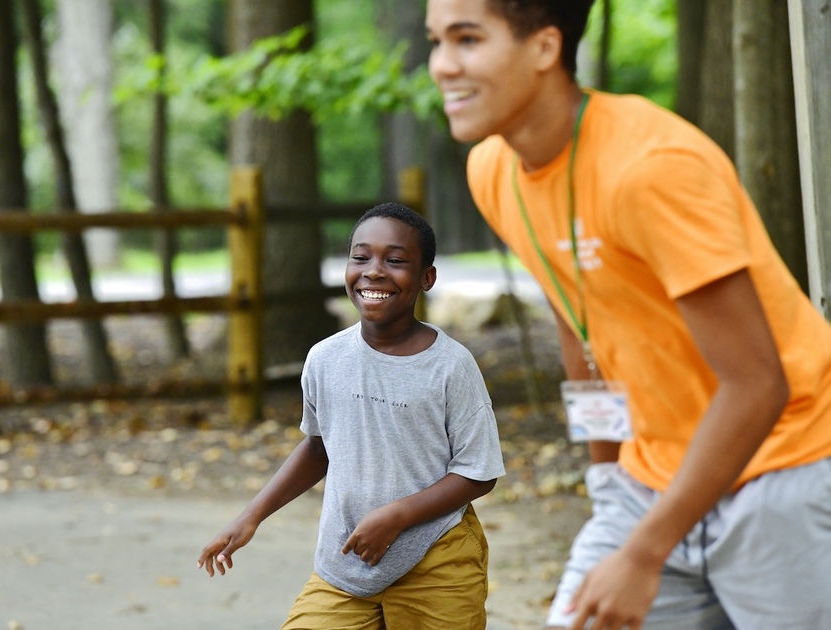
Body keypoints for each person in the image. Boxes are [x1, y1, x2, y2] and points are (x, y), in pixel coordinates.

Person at [426, 1, 831, 628]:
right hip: (649, 481)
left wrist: (644, 551)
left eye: (468, 39)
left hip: (789, 470)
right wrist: (610, 481)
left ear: (544, 47)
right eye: (436, 41)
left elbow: (759, 384)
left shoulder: (651, 169)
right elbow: (576, 320)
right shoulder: (493, 169)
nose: (442, 66)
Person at [197, 202, 506, 629]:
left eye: (395, 261)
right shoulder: (324, 359)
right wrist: (251, 515)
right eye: (361, 257)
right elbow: (319, 446)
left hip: (437, 560)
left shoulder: (450, 366)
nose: (374, 271)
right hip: (346, 564)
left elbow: (479, 471)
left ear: (427, 278)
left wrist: (395, 516)